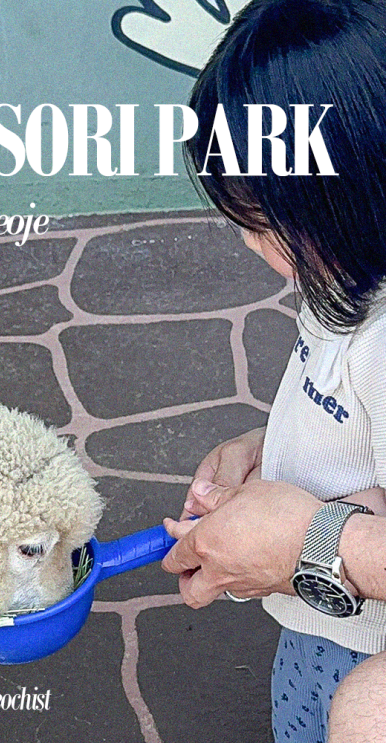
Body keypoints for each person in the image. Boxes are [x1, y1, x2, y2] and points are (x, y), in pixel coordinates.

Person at [159, 1, 386, 741]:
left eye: (264, 221)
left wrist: (303, 542)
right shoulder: (346, 275)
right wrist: (275, 446)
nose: (249, 244)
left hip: (364, 641)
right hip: (321, 621)